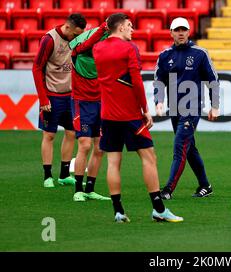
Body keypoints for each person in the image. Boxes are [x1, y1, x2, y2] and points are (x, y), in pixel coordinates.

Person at [93, 13, 183, 223]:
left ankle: (118, 211)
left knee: (113, 161)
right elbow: (136, 81)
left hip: (107, 114)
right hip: (130, 114)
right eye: (130, 26)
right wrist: (145, 109)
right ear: (121, 28)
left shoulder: (98, 48)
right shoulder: (129, 48)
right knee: (149, 157)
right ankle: (158, 209)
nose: (133, 30)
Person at [153, 17, 220, 200]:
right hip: (175, 108)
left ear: (189, 32)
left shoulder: (200, 53)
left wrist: (215, 105)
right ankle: (205, 185)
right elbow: (159, 81)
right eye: (177, 30)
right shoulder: (165, 55)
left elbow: (212, 80)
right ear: (171, 33)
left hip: (192, 108)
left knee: (179, 146)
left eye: (184, 29)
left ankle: (167, 190)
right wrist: (158, 101)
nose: (180, 33)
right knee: (189, 148)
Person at [32, 13, 86, 188]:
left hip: (71, 95)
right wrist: (43, 98)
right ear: (67, 27)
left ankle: (64, 174)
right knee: (49, 134)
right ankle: (48, 175)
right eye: (75, 34)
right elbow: (37, 68)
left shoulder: (76, 39)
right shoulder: (49, 39)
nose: (77, 38)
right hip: (52, 95)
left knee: (71, 133)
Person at [69, 22, 111, 202]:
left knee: (100, 147)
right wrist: (104, 27)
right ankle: (78, 189)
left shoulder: (100, 56)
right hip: (81, 102)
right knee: (85, 144)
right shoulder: (78, 51)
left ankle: (90, 189)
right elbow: (89, 43)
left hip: (100, 102)